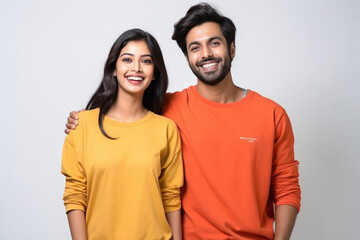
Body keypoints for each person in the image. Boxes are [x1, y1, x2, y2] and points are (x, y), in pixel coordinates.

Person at [65, 3, 301, 240]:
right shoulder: (168, 109)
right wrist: (83, 119)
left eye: (214, 43)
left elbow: (287, 188)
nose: (206, 53)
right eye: (195, 47)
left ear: (232, 49)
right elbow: (125, 113)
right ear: (188, 57)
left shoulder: (272, 114)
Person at [61, 28, 183, 240]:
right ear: (114, 69)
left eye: (146, 61)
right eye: (127, 59)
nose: (136, 68)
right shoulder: (82, 125)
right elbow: (75, 195)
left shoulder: (166, 129)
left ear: (154, 73)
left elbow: (170, 197)